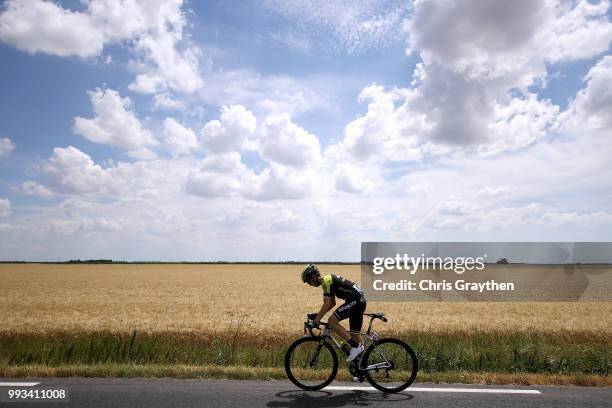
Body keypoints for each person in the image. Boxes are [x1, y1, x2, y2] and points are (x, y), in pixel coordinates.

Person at [301, 263, 367, 362]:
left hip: (355, 302)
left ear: (313, 277)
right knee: (355, 334)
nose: (310, 285)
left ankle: (355, 347)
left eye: (309, 282)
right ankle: (364, 365)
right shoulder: (328, 281)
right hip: (359, 301)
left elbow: (327, 304)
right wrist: (317, 316)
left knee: (332, 321)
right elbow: (332, 303)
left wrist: (315, 321)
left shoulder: (326, 281)